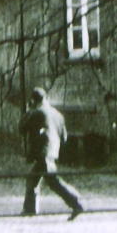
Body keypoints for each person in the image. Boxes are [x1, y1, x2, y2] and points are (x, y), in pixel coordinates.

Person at [20, 87, 84, 220]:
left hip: (43, 152)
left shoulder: (37, 112)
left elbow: (22, 127)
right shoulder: (57, 114)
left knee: (53, 182)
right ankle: (29, 209)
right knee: (33, 179)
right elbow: (64, 137)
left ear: (33, 100)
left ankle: (77, 203)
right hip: (53, 152)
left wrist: (28, 111)